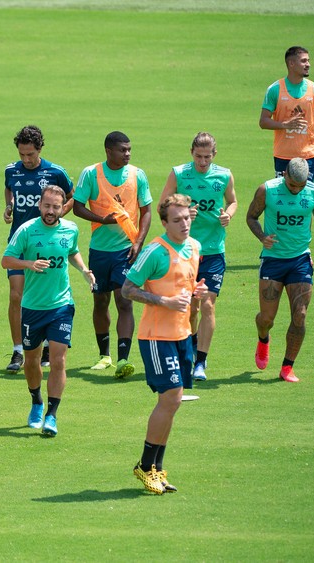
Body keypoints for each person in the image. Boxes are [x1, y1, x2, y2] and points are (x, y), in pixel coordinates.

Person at [121, 195, 207, 495]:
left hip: (182, 335)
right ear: (164, 222)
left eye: (186, 218)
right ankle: (145, 466)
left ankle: (155, 468)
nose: (184, 224)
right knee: (170, 398)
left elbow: (185, 284)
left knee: (173, 402)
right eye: (177, 220)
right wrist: (164, 301)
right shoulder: (155, 251)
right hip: (156, 337)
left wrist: (196, 291)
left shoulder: (195, 247)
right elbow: (128, 289)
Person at [1, 186, 94, 437]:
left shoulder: (70, 229)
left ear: (63, 207)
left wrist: (84, 270)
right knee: (31, 361)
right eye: (47, 206)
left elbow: (72, 251)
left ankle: (51, 415)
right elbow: (6, 260)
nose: (51, 211)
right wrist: (28, 264)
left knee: (58, 359)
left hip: (61, 305)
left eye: (56, 206)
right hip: (32, 307)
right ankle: (36, 401)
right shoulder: (27, 230)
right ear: (40, 205)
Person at [245, 158, 314, 383]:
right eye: (293, 185)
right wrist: (262, 237)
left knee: (300, 315)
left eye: (300, 186)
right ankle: (263, 339)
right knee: (266, 318)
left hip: (300, 260)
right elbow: (251, 217)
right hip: (273, 260)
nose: (296, 190)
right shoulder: (267, 190)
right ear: (284, 175)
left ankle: (287, 367)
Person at [72, 131, 152, 377]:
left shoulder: (137, 175)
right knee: (101, 301)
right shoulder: (91, 174)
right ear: (109, 151)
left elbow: (146, 210)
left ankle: (123, 359)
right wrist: (102, 220)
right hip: (99, 251)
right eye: (122, 150)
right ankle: (104, 355)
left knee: (124, 300)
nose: (127, 153)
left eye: (129, 149)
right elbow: (77, 207)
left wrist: (138, 242)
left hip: (126, 250)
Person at [158, 133, 237, 381]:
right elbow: (163, 205)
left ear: (214, 155)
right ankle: (191, 348)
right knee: (189, 308)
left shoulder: (223, 175)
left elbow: (232, 201)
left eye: (207, 157)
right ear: (191, 153)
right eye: (198, 156)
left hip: (213, 250)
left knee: (208, 304)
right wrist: (183, 213)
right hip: (185, 251)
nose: (202, 162)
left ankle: (201, 362)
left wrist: (229, 215)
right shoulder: (179, 174)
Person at [3, 125, 73, 373]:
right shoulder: (11, 170)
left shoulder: (55, 172)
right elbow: (9, 188)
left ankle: (43, 344)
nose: (26, 159)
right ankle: (18, 350)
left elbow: (72, 195)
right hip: (21, 243)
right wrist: (9, 206)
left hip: (47, 248)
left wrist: (56, 216)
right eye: (22, 154)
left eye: (30, 154)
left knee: (44, 296)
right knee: (16, 296)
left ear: (39, 149)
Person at [258, 45, 314, 181]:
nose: (308, 64)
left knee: (306, 196)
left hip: (308, 155)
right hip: (284, 155)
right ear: (291, 63)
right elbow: (263, 122)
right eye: (303, 61)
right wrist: (285, 125)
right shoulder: (275, 89)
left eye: (308, 61)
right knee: (283, 197)